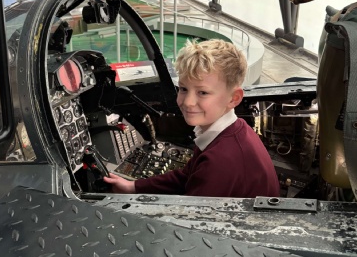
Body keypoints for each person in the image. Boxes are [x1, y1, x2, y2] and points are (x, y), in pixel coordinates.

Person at [104, 38, 280, 198]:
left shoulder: (220, 162)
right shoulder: (229, 131)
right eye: (183, 89)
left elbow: (190, 218)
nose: (188, 102)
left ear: (233, 98)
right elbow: (185, 176)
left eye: (202, 92)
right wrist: (133, 187)